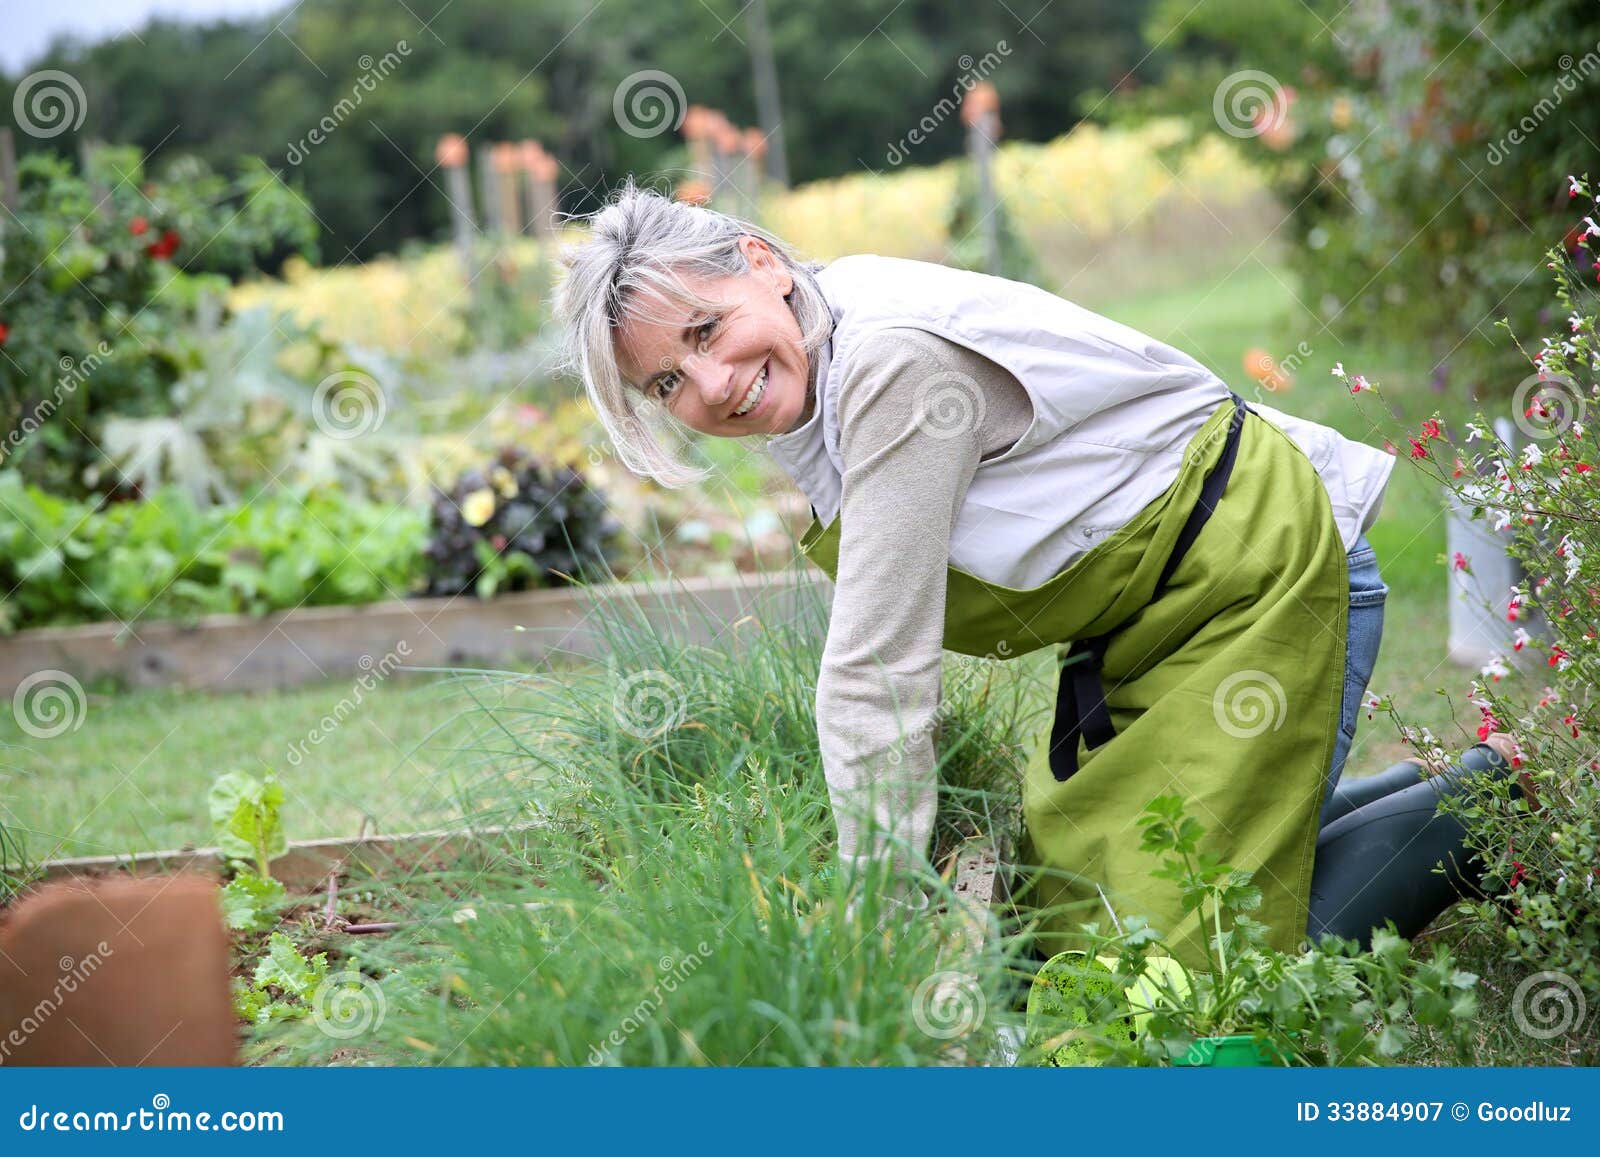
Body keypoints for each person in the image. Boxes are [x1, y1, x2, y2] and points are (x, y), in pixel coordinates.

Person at [554, 179, 1529, 965]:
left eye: (704, 331)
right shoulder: (815, 345)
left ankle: (1499, 809)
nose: (712, 384)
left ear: (760, 265)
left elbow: (876, 667)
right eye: (667, 383)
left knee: (1181, 980)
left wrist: (874, 923)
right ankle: (1435, 794)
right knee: (1065, 934)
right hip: (1156, 615)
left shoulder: (887, 364)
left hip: (1264, 569)